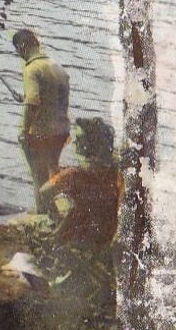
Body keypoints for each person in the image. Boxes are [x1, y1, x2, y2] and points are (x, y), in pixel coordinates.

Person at [12, 28, 70, 219]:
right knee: (53, 173)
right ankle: (59, 216)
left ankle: (43, 217)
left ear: (23, 46)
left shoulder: (32, 69)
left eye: (18, 51)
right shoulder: (57, 67)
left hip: (40, 133)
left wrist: (25, 131)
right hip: (61, 132)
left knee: (39, 177)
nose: (19, 55)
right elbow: (54, 100)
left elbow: (33, 101)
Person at [40, 117, 122, 246]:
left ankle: (56, 226)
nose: (74, 141)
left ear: (91, 143)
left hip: (78, 235)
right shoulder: (114, 171)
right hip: (106, 233)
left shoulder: (74, 175)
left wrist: (56, 216)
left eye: (79, 138)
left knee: (62, 200)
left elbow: (44, 192)